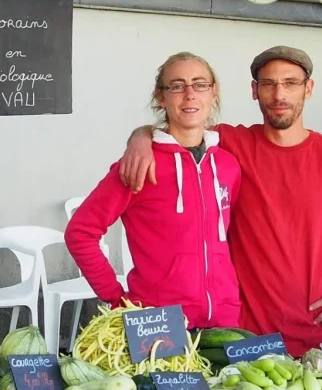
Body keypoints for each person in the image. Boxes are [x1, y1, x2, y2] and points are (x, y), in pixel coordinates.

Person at [118, 46, 322, 357]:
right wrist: (141, 138)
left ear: (308, 89)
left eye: (291, 83)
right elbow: (181, 123)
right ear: (255, 91)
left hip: (315, 337)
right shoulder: (229, 145)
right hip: (242, 337)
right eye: (268, 84)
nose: (279, 94)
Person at [64, 52, 242, 330]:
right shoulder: (141, 164)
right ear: (162, 97)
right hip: (159, 322)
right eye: (177, 86)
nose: (189, 94)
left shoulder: (228, 165)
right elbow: (80, 232)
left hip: (224, 320)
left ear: (213, 93)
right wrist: (116, 298)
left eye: (200, 84)